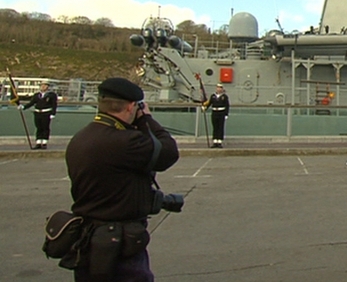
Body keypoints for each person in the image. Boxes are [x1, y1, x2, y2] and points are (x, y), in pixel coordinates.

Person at [65, 77, 179, 281]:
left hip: (89, 240)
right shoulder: (124, 142)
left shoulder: (80, 138)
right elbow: (168, 153)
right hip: (119, 243)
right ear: (130, 107)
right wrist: (146, 120)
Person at [20, 82, 58, 149]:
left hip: (46, 113)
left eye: (45, 85)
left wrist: (53, 113)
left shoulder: (51, 95)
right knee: (38, 127)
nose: (43, 87)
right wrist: (24, 107)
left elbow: (54, 105)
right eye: (42, 85)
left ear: (47, 87)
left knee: (45, 127)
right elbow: (31, 103)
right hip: (38, 113)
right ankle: (38, 142)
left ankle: (44, 142)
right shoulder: (37, 95)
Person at [203, 83, 230, 148]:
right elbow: (209, 103)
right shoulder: (213, 96)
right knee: (215, 127)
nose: (219, 89)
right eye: (218, 88)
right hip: (214, 112)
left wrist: (226, 114)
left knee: (220, 127)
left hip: (221, 113)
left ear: (222, 89)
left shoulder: (224, 97)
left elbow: (227, 106)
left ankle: (219, 141)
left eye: (220, 88)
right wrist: (205, 108)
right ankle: (215, 141)